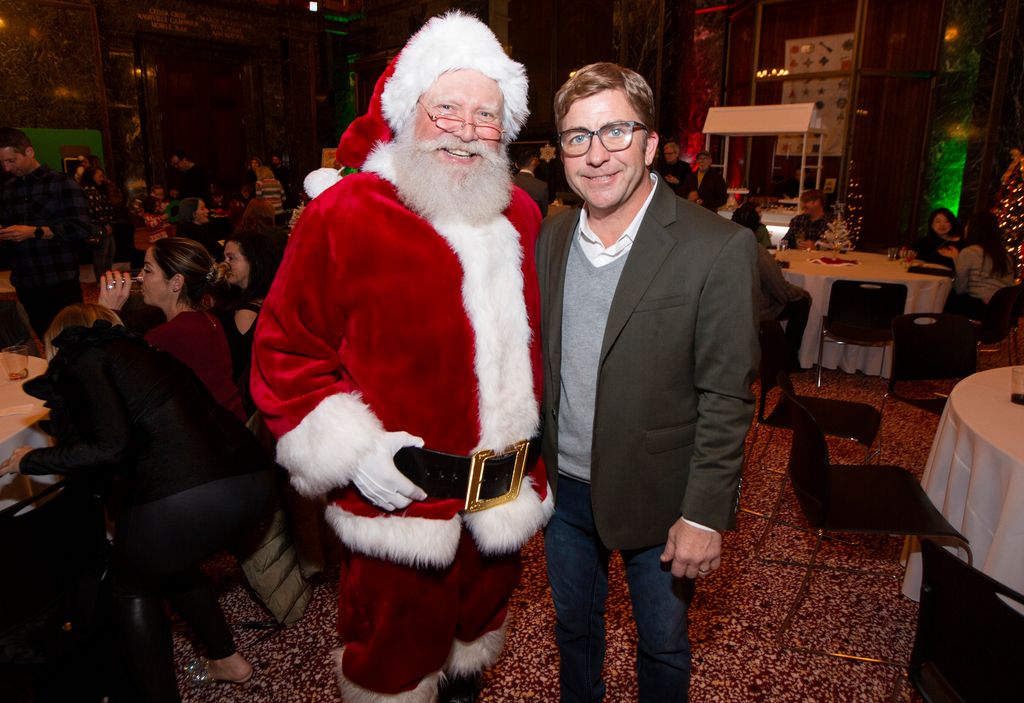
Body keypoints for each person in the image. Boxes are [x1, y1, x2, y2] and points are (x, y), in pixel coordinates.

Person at [250, 12, 550, 702]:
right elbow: (282, 353)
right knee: (393, 671)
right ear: (408, 110)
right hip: (401, 516)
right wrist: (354, 452)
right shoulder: (349, 212)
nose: (465, 129)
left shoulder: (523, 217)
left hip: (499, 510)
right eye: (446, 108)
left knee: (470, 663)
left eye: (484, 115)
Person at [536, 62, 758, 701]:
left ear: (650, 144)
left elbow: (725, 395)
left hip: (664, 501)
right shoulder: (552, 235)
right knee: (574, 631)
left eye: (615, 132)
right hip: (565, 496)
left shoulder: (716, 247)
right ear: (562, 151)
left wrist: (704, 514)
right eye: (578, 137)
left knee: (662, 649)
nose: (596, 155)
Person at [0, 303, 274, 703]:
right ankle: (227, 659)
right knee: (164, 559)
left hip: (193, 494)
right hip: (253, 481)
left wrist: (29, 458)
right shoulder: (144, 356)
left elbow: (110, 447)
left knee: (131, 584)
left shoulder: (84, 359)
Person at [99, 237, 245, 421]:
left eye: (148, 269)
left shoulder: (171, 334)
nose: (141, 277)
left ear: (176, 282)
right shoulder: (207, 319)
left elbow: (114, 380)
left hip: (210, 440)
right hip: (231, 430)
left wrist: (108, 313)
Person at [0, 127, 91, 337]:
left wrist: (35, 232)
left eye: (11, 160)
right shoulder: (7, 190)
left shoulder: (62, 183)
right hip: (25, 281)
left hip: (59, 279)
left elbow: (81, 228)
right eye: (2, 162)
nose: (6, 168)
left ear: (29, 152)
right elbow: (9, 231)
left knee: (74, 338)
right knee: (43, 336)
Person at [216, 228, 287, 415]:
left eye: (232, 258)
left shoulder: (247, 311)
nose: (225, 264)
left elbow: (235, 364)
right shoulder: (268, 297)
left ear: (253, 262)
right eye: (224, 258)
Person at [733, 204, 811, 369]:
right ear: (757, 229)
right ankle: (788, 359)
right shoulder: (757, 251)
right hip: (754, 308)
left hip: (728, 305)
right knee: (802, 302)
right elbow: (782, 291)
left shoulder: (724, 247)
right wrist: (804, 293)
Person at [942, 211, 1017, 320]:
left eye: (967, 225)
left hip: (981, 308)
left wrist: (956, 259)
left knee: (949, 297)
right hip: (1004, 310)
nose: (965, 228)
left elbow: (960, 289)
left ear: (974, 229)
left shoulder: (969, 252)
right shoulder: (1005, 255)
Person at [82, 166, 116, 282]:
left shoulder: (98, 188)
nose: (102, 179)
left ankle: (107, 277)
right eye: (99, 176)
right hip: (98, 226)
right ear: (91, 176)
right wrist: (105, 223)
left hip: (104, 224)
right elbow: (95, 209)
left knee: (110, 251)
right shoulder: (88, 189)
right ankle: (101, 280)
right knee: (101, 254)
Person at [513, 146, 549, 217]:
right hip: (534, 227)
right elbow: (543, 215)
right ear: (533, 162)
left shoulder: (508, 183)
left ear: (516, 165)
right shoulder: (542, 186)